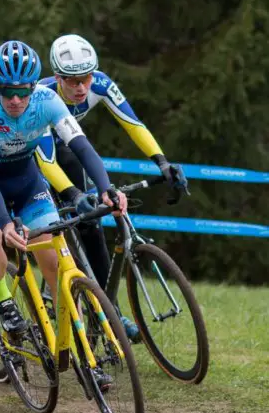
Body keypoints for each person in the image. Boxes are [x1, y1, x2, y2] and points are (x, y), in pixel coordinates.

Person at [0, 40, 126, 340]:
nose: (15, 100)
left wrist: (106, 189)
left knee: (58, 266)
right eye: (7, 92)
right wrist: (4, 222)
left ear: (34, 87)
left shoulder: (47, 101)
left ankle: (75, 349)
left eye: (23, 92)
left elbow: (82, 147)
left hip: (27, 183)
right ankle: (3, 300)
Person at [39, 34, 188, 339]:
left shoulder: (101, 85)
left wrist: (161, 161)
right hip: (36, 156)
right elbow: (44, 158)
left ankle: (109, 311)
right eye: (72, 80)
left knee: (91, 224)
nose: (81, 87)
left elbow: (133, 124)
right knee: (51, 227)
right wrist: (72, 193)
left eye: (86, 78)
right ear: (57, 77)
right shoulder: (42, 96)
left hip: (68, 150)